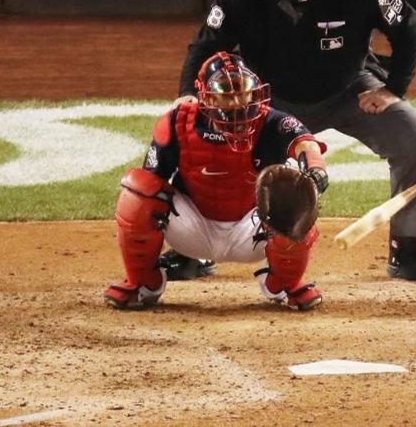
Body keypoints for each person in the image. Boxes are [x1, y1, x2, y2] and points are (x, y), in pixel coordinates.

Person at [165, 0, 416, 283]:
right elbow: (203, 47)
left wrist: (393, 89)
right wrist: (188, 95)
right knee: (195, 139)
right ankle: (193, 249)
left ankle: (412, 246)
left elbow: (410, 24)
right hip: (266, 102)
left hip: (351, 88)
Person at [103, 52, 330, 311]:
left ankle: (284, 284)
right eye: (225, 93)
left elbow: (306, 144)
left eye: (242, 91)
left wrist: (315, 170)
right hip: (191, 229)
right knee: (138, 190)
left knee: (295, 201)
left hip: (251, 231)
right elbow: (152, 178)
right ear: (205, 95)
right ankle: (143, 284)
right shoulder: (178, 121)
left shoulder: (271, 121)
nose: (236, 102)